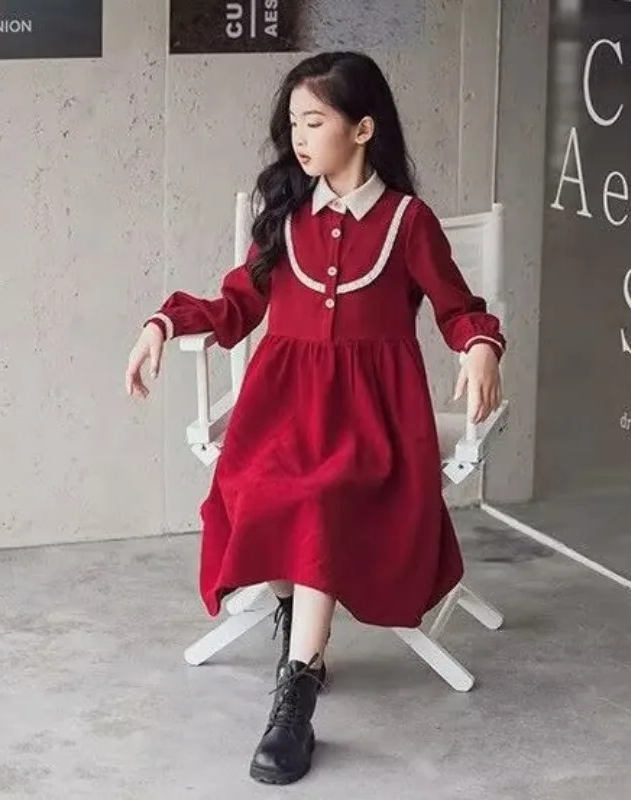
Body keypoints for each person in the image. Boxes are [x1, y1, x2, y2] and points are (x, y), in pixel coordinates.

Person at [125, 51, 505, 786]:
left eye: (314, 121)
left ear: (362, 129)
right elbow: (236, 305)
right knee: (263, 493)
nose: (298, 138)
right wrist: (162, 324)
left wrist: (481, 345)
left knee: (322, 501)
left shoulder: (408, 222)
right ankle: (301, 629)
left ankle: (296, 690)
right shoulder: (286, 218)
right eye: (293, 123)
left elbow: (458, 308)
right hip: (281, 416)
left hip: (375, 424)